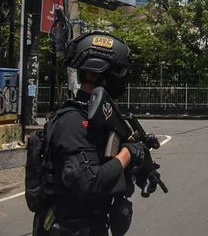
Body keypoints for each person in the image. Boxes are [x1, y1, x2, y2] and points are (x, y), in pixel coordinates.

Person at [34, 31, 146, 236]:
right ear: (94, 74)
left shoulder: (98, 120)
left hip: (90, 226)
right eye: (117, 72)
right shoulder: (73, 122)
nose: (121, 80)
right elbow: (89, 181)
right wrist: (127, 154)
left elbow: (106, 167)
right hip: (69, 229)